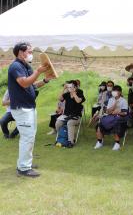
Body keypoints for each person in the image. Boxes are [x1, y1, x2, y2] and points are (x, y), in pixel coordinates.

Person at [8, 42, 50, 177]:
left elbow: (32, 85)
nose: (31, 54)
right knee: (27, 138)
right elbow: (24, 82)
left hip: (29, 107)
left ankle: (26, 162)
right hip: (22, 109)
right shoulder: (16, 66)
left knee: (30, 137)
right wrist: (38, 71)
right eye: (29, 51)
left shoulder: (26, 66)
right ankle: (24, 168)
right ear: (21, 52)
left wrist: (45, 80)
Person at [94, 85, 129, 151]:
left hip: (120, 118)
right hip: (111, 116)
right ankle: (99, 141)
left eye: (116, 91)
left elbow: (125, 113)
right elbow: (108, 111)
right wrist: (114, 105)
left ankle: (117, 143)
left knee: (116, 124)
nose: (114, 92)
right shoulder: (111, 99)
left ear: (120, 92)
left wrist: (117, 112)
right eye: (113, 91)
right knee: (100, 124)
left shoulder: (124, 101)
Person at [55, 80, 85, 148]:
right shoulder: (67, 94)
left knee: (70, 122)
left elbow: (78, 101)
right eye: (68, 87)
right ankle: (61, 138)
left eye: (71, 86)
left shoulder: (80, 92)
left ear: (75, 87)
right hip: (66, 115)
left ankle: (70, 142)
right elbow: (60, 98)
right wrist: (64, 89)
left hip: (76, 116)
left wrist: (74, 93)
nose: (69, 88)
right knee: (58, 123)